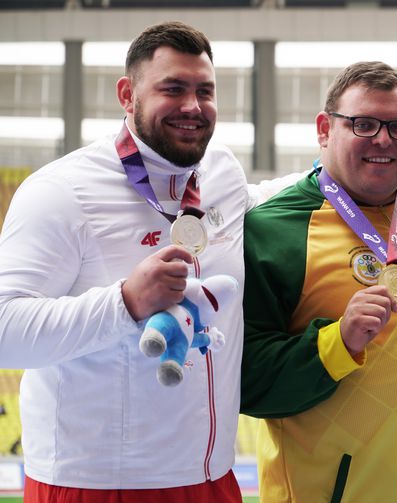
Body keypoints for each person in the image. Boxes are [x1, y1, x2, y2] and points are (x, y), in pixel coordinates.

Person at [0, 21, 303, 502]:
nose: (193, 106)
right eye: (173, 89)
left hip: (210, 475)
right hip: (99, 484)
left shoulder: (220, 170)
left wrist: (358, 171)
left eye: (205, 90)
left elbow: (259, 200)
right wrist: (125, 303)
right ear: (127, 94)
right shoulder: (60, 192)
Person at [240, 61, 397, 502]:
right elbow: (243, 383)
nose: (383, 140)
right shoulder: (274, 232)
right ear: (324, 128)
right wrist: (339, 343)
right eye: (364, 124)